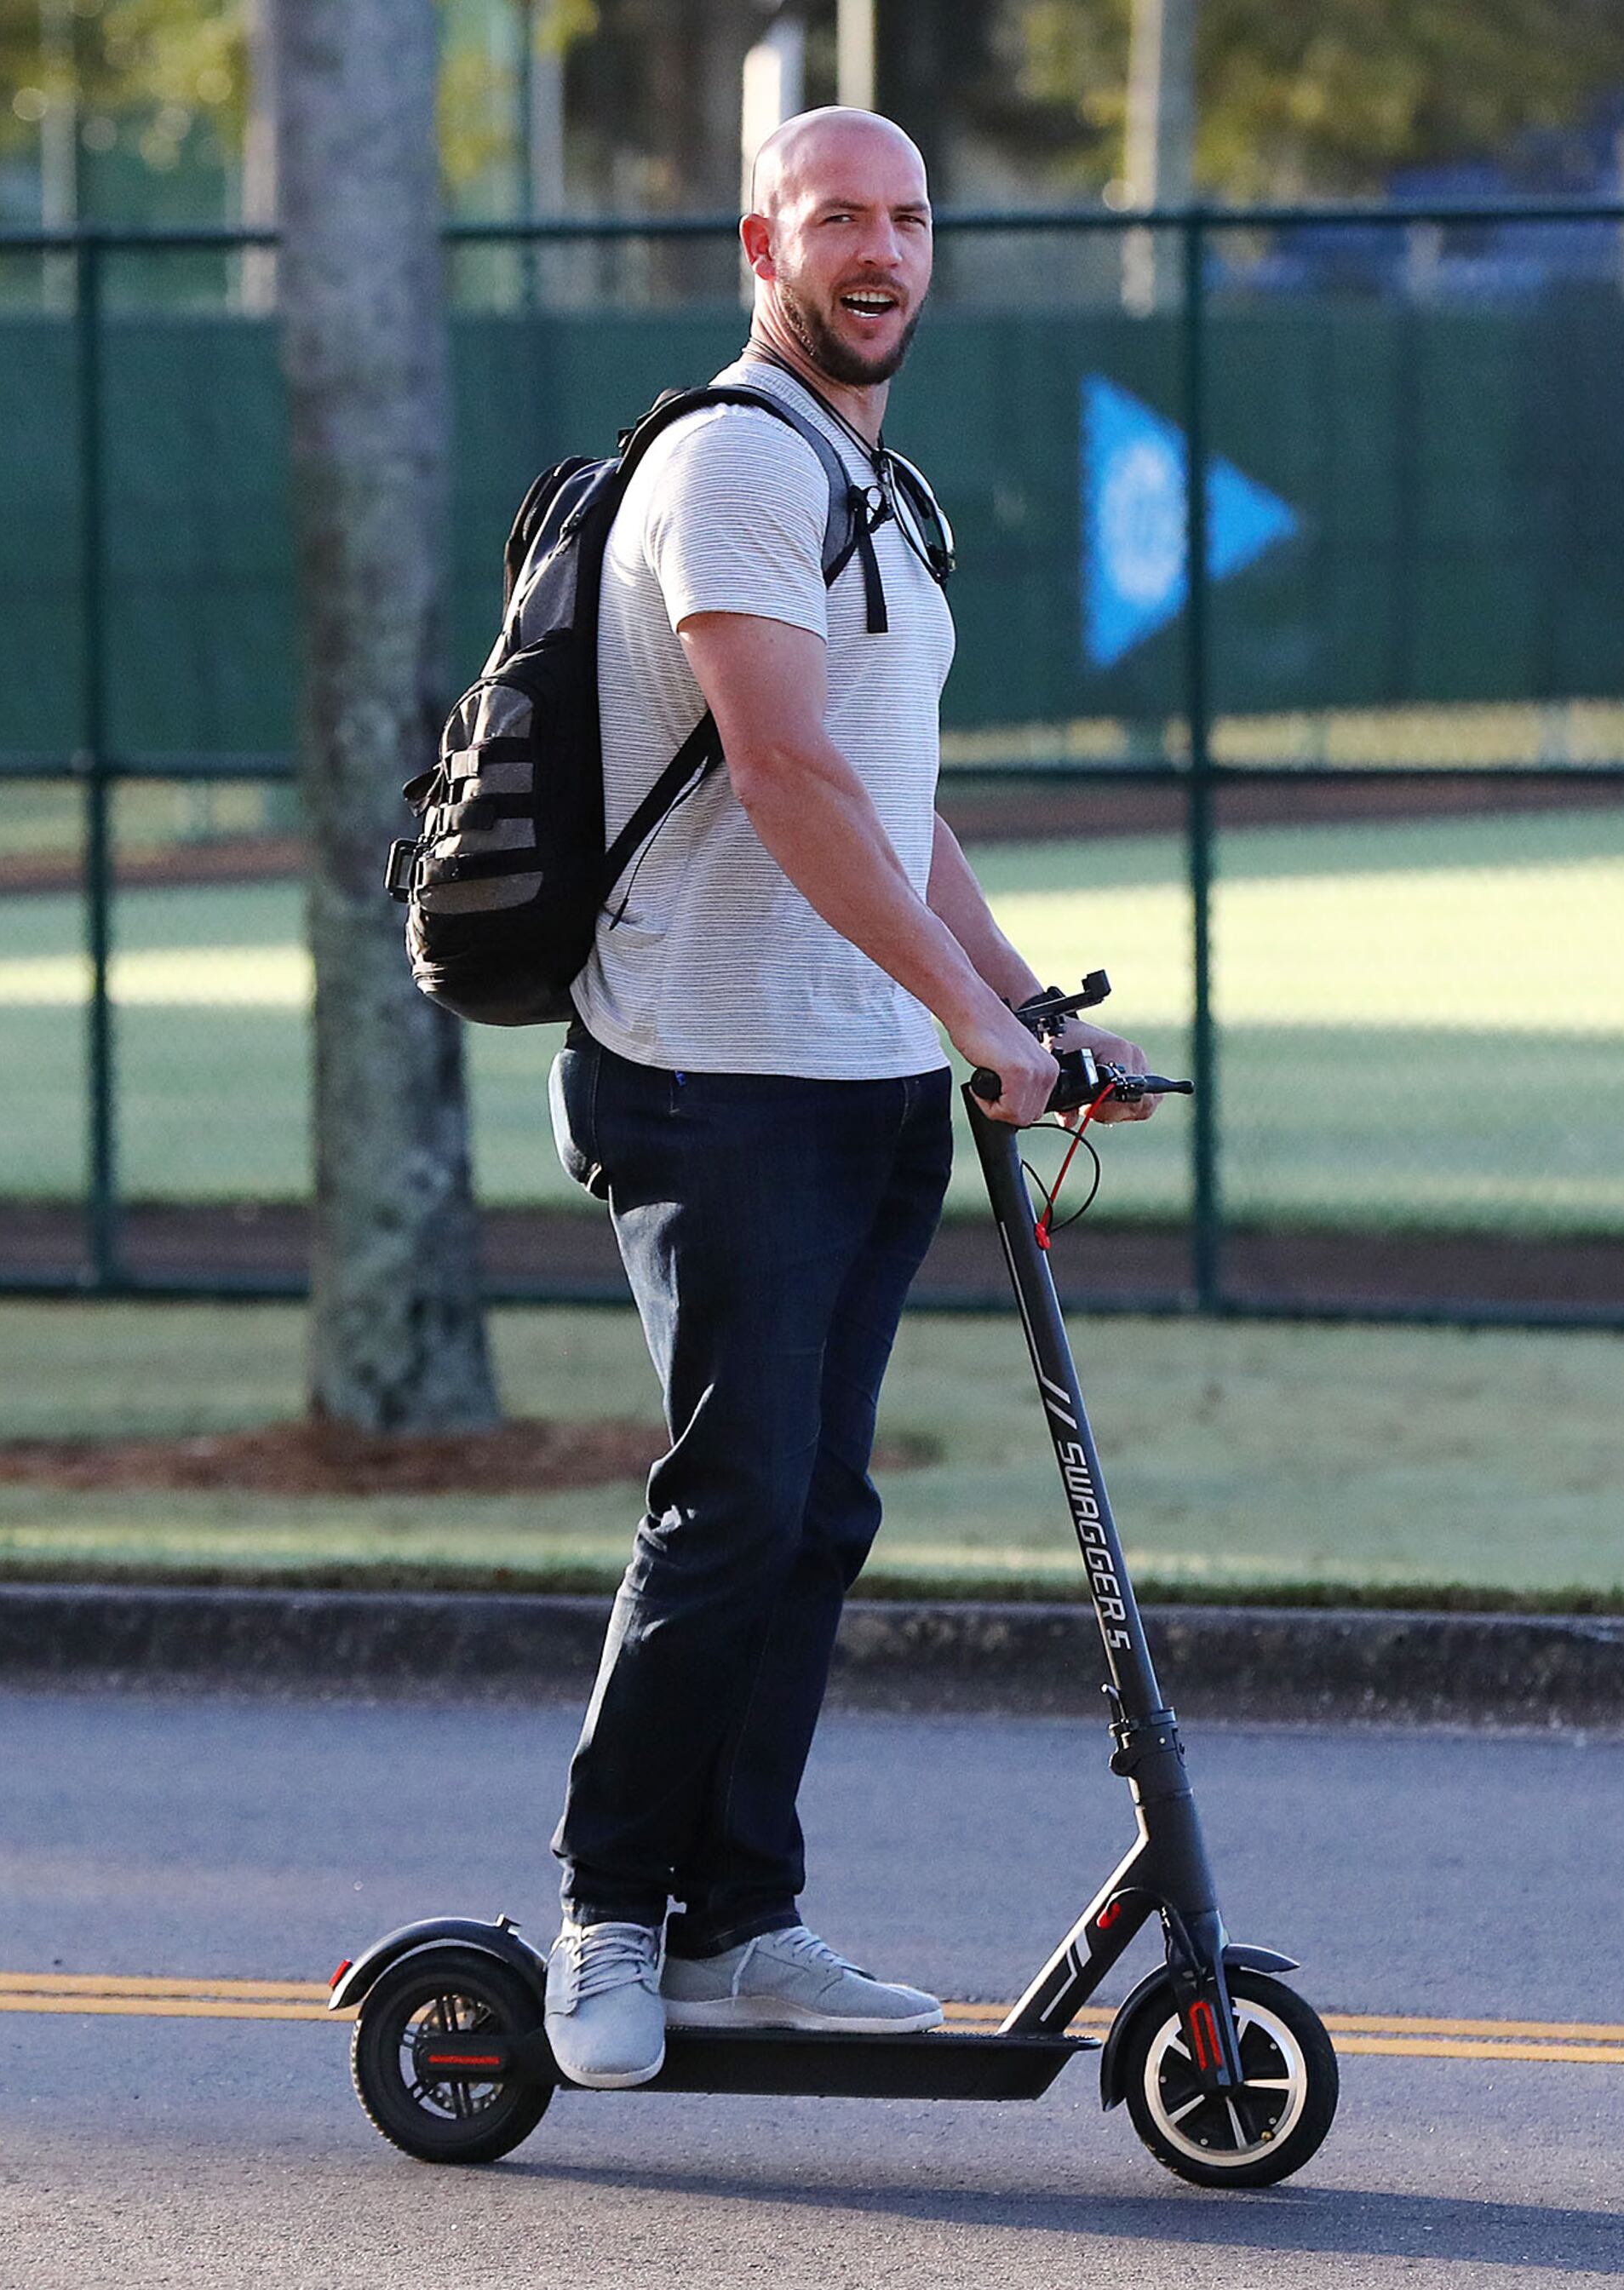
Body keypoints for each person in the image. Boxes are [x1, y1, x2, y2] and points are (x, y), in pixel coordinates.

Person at [538, 106, 1153, 2089]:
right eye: (840, 221)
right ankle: (611, 1912)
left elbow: (896, 802)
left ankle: (739, 1917)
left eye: (907, 218)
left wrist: (1020, 1010)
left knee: (812, 1514)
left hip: (870, 1080)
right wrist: (967, 1021)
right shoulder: (729, 461)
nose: (880, 251)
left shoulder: (872, 483)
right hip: (717, 1078)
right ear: (761, 241)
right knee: (730, 1505)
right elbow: (785, 774)